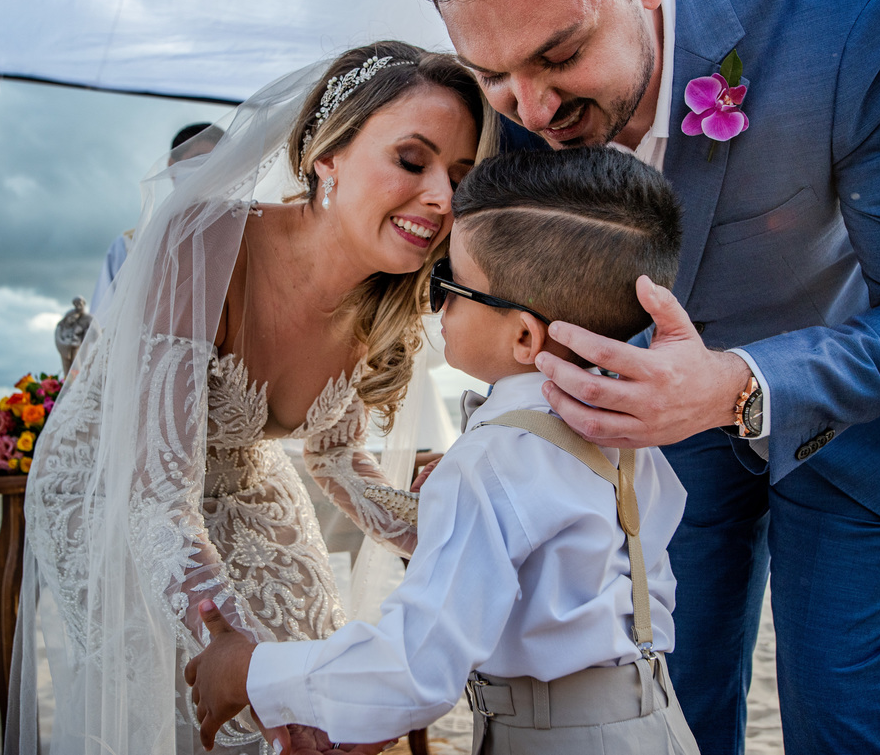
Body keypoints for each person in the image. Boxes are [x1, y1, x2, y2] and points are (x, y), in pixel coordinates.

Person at [400, 0, 880, 752]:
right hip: (658, 444)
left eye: (560, 56)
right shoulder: (514, 105)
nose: (532, 107)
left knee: (838, 712)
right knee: (675, 699)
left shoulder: (853, 23)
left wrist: (741, 383)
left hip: (855, 417)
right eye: (493, 74)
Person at [6, 40, 492, 755]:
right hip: (110, 484)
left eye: (460, 175)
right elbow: (156, 498)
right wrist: (238, 648)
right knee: (204, 704)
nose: (442, 200)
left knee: (307, 654)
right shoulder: (202, 242)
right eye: (412, 162)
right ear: (327, 155)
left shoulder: (392, 296)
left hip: (240, 477)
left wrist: (441, 529)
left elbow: (336, 460)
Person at [186, 146, 698, 754]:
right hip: (656, 725)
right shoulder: (636, 443)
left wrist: (249, 671)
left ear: (525, 336)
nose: (437, 304)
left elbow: (416, 669)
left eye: (450, 284)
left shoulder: (488, 462)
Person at [89, 123, 225, 316]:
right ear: (172, 165)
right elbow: (100, 325)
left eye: (221, 161)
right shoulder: (130, 246)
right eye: (198, 159)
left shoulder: (241, 240)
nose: (208, 169)